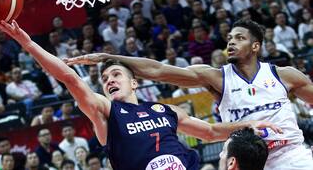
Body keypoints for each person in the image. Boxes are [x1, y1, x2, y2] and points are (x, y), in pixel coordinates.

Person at [0, 20, 281, 170]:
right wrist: (26, 41)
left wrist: (249, 125)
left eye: (116, 75)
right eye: (104, 79)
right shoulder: (106, 112)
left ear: (134, 83)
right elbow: (69, 78)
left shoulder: (164, 111)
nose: (108, 81)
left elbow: (210, 131)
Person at [64, 19, 313, 170]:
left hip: (288, 154)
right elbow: (158, 70)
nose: (231, 42)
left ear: (256, 46)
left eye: (239, 38)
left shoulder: (285, 75)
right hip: (244, 160)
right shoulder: (215, 77)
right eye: (229, 38)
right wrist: (111, 58)